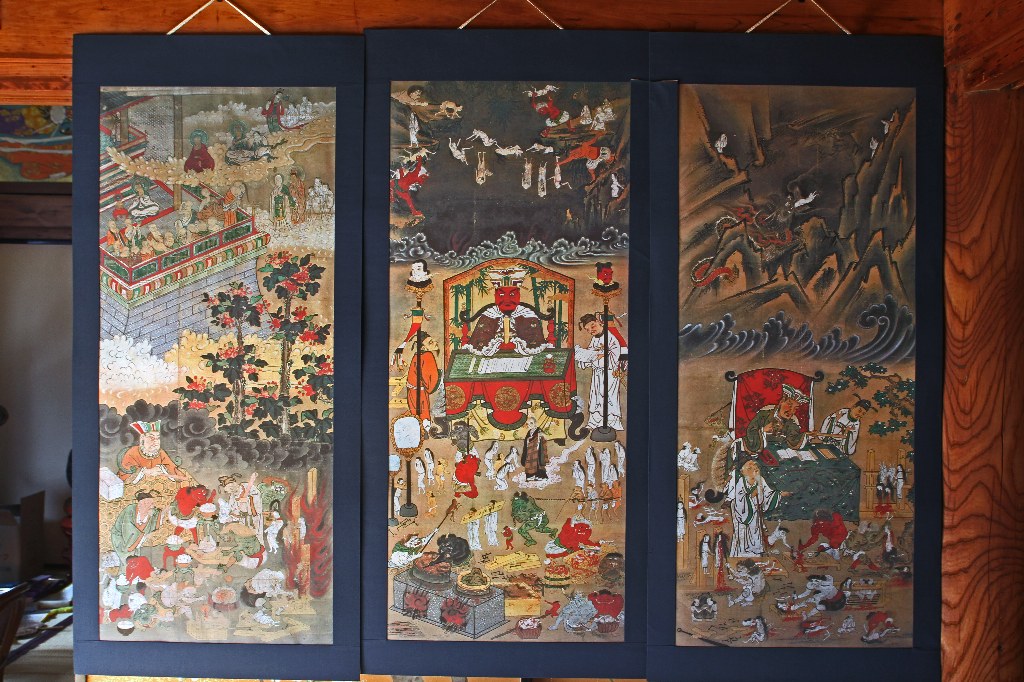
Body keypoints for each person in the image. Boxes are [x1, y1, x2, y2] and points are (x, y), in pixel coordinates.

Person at [459, 266, 550, 356]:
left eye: (512, 294)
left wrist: (517, 346)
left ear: (519, 295)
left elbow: (535, 345)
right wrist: (497, 346)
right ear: (495, 296)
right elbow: (479, 344)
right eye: (501, 295)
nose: (507, 300)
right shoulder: (489, 315)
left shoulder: (527, 315)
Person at [724, 454, 790, 557]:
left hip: (755, 513)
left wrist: (779, 494)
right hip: (743, 513)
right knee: (743, 533)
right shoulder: (741, 482)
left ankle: (755, 552)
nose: (754, 469)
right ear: (742, 471)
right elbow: (739, 498)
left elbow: (768, 493)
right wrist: (751, 496)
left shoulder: (760, 479)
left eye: (755, 466)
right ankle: (741, 553)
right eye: (749, 468)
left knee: (755, 531)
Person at [574, 313, 624, 431]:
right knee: (595, 397)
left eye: (592, 326)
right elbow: (591, 355)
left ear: (598, 321)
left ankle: (611, 422)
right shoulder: (594, 339)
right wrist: (585, 357)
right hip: (597, 374)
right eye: (588, 330)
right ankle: (594, 421)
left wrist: (599, 356)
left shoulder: (610, 337)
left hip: (609, 374)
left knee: (608, 397)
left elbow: (614, 356)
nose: (591, 330)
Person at [742, 383, 810, 461]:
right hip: (762, 454)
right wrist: (763, 430)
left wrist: (806, 435)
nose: (791, 411)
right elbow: (750, 432)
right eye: (789, 405)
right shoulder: (764, 415)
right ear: (781, 402)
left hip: (781, 454)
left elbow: (794, 439)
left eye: (795, 408)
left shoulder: (792, 421)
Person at [116, 420, 186, 483]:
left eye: (157, 438)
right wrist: (144, 471)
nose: (155, 441)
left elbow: (172, 469)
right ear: (142, 438)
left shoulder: (160, 452)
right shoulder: (132, 452)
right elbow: (126, 473)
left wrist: (161, 468)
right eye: (151, 437)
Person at [110, 491, 160, 564]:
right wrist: (148, 517)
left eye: (153, 503)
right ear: (142, 504)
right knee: (128, 557)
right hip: (121, 537)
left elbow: (156, 524)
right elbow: (130, 532)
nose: (153, 506)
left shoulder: (151, 510)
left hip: (136, 539)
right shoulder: (130, 510)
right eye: (150, 504)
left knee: (137, 559)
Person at [405, 334, 440, 427]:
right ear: (424, 347)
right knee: (424, 418)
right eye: (430, 342)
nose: (435, 343)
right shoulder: (428, 355)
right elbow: (430, 378)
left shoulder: (417, 355)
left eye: (433, 340)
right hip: (420, 394)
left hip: (411, 392)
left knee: (416, 417)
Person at [522, 416, 548, 480]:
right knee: (529, 463)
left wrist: (542, 434)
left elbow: (546, 437)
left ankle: (540, 476)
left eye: (531, 423)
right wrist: (528, 439)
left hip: (537, 450)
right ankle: (530, 476)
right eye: (528, 424)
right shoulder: (529, 432)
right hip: (530, 450)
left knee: (537, 463)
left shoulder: (539, 430)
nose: (529, 425)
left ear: (535, 423)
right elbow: (527, 440)